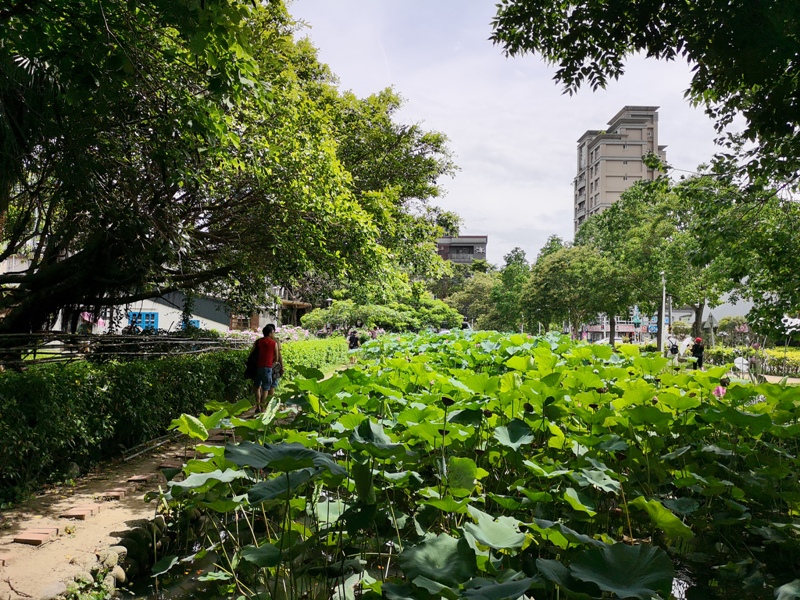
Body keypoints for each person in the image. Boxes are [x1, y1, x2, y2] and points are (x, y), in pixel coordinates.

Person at [252, 323, 281, 410]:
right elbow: (276, 357)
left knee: (257, 387)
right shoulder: (274, 343)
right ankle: (263, 409)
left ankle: (257, 407)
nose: (273, 334)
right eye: (273, 332)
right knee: (266, 389)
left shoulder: (258, 342)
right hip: (267, 367)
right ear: (269, 333)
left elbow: (251, 354)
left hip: (257, 367)